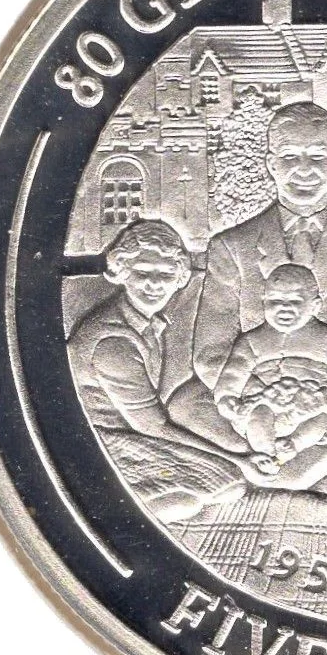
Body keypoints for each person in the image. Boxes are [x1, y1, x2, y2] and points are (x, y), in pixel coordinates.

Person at [169, 102, 327, 490]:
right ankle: (317, 470)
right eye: (290, 156)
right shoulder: (231, 246)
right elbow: (211, 352)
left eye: (318, 157)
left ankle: (280, 473)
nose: (304, 170)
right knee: (184, 406)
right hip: (255, 397)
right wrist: (262, 396)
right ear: (271, 164)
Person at [67, 220, 248, 523]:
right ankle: (107, 508)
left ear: (179, 278)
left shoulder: (147, 324)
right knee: (224, 483)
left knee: (227, 485)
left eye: (165, 274)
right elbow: (152, 426)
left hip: (132, 435)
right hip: (102, 442)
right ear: (122, 271)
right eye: (143, 272)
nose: (154, 284)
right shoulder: (114, 341)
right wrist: (240, 460)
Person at [214, 263, 327, 469]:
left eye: (295, 301)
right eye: (275, 300)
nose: (284, 307)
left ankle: (294, 445)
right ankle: (265, 455)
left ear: (315, 305)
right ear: (264, 302)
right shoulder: (252, 341)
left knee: (320, 419)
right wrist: (226, 396)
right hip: (265, 399)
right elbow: (234, 371)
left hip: (311, 402)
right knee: (258, 416)